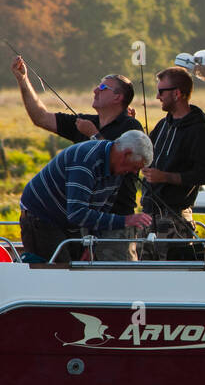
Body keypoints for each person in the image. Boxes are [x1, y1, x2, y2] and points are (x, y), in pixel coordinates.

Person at [12, 57, 146, 259]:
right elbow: (40, 117)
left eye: (103, 87)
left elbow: (115, 156)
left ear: (118, 97)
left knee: (115, 273)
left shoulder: (130, 127)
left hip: (114, 217)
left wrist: (93, 134)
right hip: (81, 217)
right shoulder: (84, 121)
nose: (95, 90)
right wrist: (23, 80)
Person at [19, 131, 154, 262]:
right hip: (41, 216)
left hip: (68, 221)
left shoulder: (118, 171)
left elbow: (101, 210)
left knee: (77, 268)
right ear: (126, 154)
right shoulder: (86, 161)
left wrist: (90, 245)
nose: (134, 172)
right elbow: (77, 213)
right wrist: (125, 221)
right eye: (135, 167)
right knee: (60, 272)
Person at [141, 66, 205, 259]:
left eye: (161, 91)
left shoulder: (198, 131)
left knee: (170, 275)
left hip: (174, 219)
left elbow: (203, 174)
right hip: (148, 215)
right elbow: (145, 153)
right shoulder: (163, 125)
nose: (157, 96)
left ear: (177, 93)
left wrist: (164, 177)